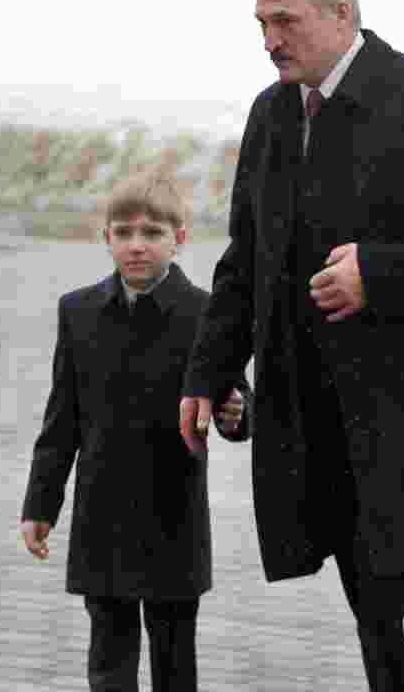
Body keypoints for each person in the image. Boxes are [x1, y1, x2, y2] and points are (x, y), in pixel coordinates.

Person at [177, 0, 404, 692]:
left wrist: (383, 271)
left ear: (342, 14)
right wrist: (207, 371)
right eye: (261, 24)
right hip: (314, 435)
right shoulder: (273, 114)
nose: (269, 39)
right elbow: (247, 257)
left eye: (284, 21)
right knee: (381, 640)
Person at [20, 174, 251, 692]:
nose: (136, 244)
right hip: (100, 517)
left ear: (179, 238)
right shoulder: (77, 312)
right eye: (123, 232)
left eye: (152, 232)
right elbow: (61, 421)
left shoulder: (206, 313)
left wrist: (236, 413)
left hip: (175, 516)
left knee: (174, 661)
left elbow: (237, 401)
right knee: (109, 661)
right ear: (106, 238)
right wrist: (40, 505)